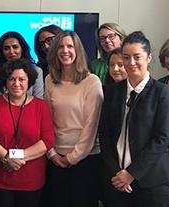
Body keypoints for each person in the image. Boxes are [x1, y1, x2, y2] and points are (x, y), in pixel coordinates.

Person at [98, 31, 169, 207]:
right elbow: (105, 135)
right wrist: (117, 173)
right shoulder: (112, 91)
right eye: (126, 57)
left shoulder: (162, 92)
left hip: (152, 182)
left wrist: (131, 173)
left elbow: (161, 139)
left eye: (137, 57)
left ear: (148, 58)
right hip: (116, 180)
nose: (131, 63)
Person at [42, 31, 104, 207]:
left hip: (86, 160)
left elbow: (91, 125)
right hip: (55, 158)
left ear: (78, 50)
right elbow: (47, 120)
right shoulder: (49, 80)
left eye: (70, 46)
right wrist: (52, 154)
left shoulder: (92, 82)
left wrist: (72, 158)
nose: (65, 50)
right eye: (60, 47)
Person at [0, 58, 55, 207]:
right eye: (11, 79)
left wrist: (14, 157)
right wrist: (6, 156)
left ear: (30, 80)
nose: (16, 84)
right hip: (0, 178)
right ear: (5, 81)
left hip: (31, 180)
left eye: (21, 79)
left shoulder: (41, 106)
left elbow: (47, 140)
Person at [0, 31, 44, 98]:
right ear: (1, 52)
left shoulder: (37, 71)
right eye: (6, 48)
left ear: (22, 49)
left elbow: (38, 100)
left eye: (15, 47)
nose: (11, 51)